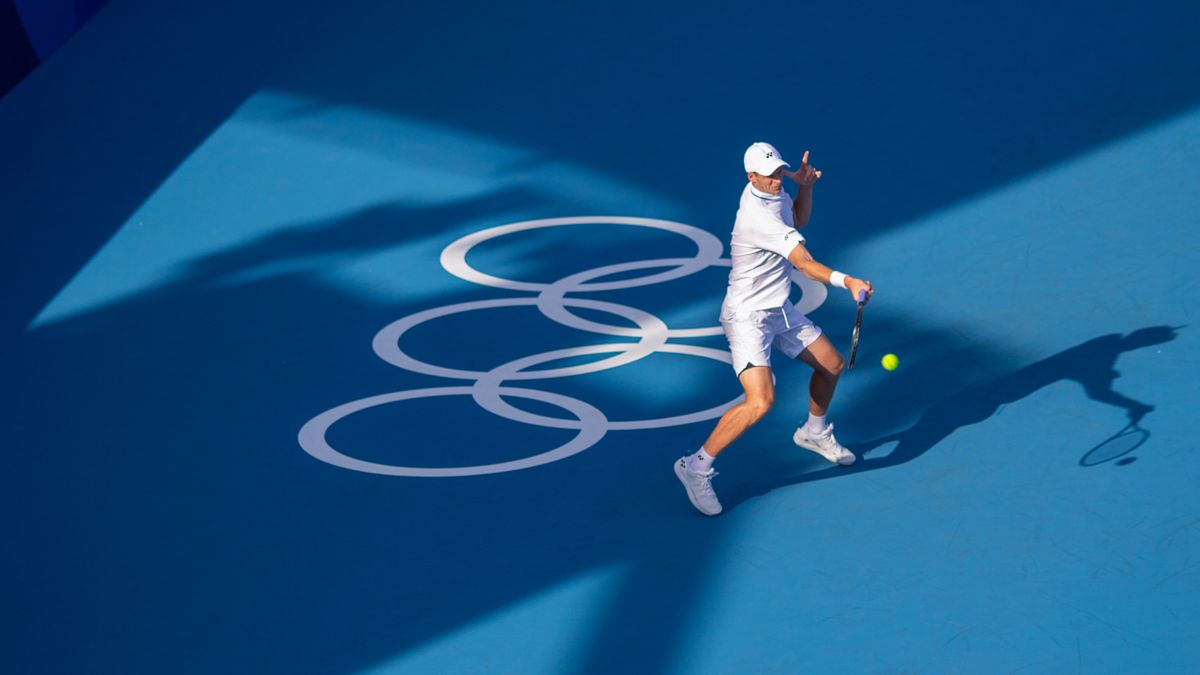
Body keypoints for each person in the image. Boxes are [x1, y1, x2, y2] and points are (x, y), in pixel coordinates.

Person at [674, 141, 874, 516]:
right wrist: (847, 281)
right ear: (751, 177)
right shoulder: (758, 219)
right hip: (747, 317)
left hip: (778, 309)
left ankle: (813, 432)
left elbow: (797, 219)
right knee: (761, 401)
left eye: (780, 171)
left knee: (831, 365)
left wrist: (805, 187)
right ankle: (695, 467)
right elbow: (805, 263)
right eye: (770, 176)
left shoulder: (773, 192)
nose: (777, 180)